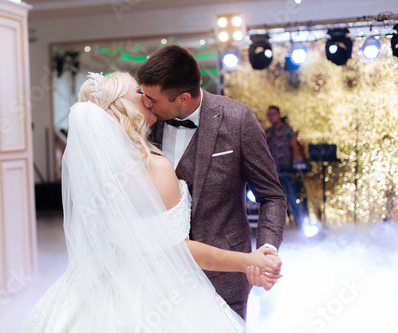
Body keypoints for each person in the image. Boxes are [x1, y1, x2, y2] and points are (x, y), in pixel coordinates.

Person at [17, 72, 281, 332]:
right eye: (138, 91)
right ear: (123, 106)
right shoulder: (155, 167)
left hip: (95, 286)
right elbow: (178, 250)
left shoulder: (96, 173)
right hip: (161, 292)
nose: (145, 96)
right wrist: (247, 261)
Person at [137, 45, 287, 320]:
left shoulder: (239, 120)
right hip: (160, 274)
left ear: (182, 98)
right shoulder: (144, 121)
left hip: (225, 272)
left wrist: (266, 248)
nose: (145, 103)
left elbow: (272, 197)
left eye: (152, 99)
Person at [265, 105, 309, 226]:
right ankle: (276, 225)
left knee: (291, 194)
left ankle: (300, 223)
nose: (271, 117)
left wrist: (294, 165)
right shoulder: (268, 132)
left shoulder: (287, 129)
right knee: (274, 198)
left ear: (279, 115)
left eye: (273, 114)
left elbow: (294, 147)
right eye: (269, 114)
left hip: (286, 168)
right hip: (273, 170)